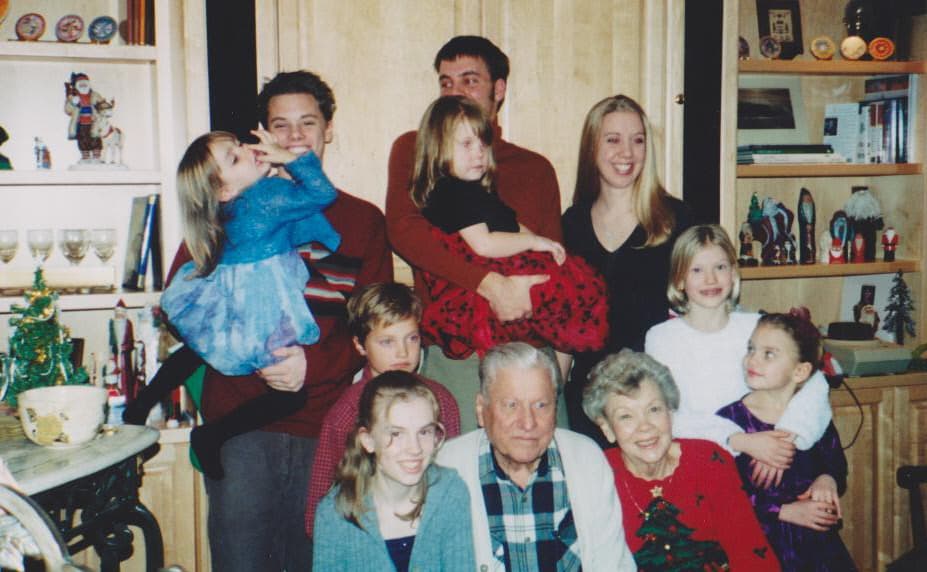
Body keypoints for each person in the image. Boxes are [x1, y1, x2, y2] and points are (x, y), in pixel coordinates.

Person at [163, 70, 393, 572]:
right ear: (259, 135)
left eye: (306, 124)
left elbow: (377, 329)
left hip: (328, 425)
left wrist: (311, 364)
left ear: (327, 130)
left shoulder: (362, 221)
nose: (293, 138)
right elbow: (186, 305)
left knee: (312, 561)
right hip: (239, 426)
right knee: (241, 560)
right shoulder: (226, 211)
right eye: (279, 125)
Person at [386, 36, 563, 432]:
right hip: (456, 351)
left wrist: (561, 360)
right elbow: (404, 231)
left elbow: (553, 258)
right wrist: (489, 284)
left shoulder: (533, 169)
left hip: (529, 350)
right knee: (460, 468)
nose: (455, 92)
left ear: (498, 90)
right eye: (445, 83)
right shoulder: (416, 150)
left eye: (469, 81)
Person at [147, 127, 337, 480]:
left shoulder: (234, 207)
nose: (250, 150)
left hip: (233, 293)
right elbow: (321, 193)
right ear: (224, 190)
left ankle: (142, 401)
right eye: (235, 157)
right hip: (263, 301)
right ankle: (212, 435)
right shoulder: (266, 198)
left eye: (240, 144)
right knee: (291, 396)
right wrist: (290, 161)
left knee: (203, 348)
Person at [410, 95, 607, 370]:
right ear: (438, 148)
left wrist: (544, 245)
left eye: (482, 143)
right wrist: (535, 241)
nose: (478, 152)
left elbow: (511, 225)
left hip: (505, 278)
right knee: (575, 288)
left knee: (576, 280)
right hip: (479, 290)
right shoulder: (452, 193)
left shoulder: (477, 191)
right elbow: (484, 245)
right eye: (466, 144)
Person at [645, 224, 833, 487]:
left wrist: (785, 438)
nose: (710, 279)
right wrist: (739, 440)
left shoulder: (755, 325)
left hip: (768, 465)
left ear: (733, 273)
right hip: (699, 465)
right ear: (679, 279)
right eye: (697, 270)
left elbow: (813, 381)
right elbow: (664, 415)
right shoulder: (661, 338)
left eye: (720, 267)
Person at [562, 94, 694, 445]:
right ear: (592, 147)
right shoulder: (570, 225)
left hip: (655, 405)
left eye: (637, 141)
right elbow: (559, 327)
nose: (627, 153)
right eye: (613, 140)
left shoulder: (677, 220)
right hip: (589, 407)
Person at [436, 342, 635, 571]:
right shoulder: (448, 467)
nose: (528, 423)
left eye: (541, 405)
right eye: (511, 405)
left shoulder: (586, 460)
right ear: (482, 410)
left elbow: (613, 562)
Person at [582, 349, 780, 571]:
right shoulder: (597, 474)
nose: (645, 426)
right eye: (626, 416)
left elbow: (750, 550)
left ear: (670, 412)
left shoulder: (708, 461)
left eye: (654, 409)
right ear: (607, 428)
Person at [304, 282, 461, 537]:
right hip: (365, 535)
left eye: (412, 338)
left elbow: (453, 477)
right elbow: (322, 493)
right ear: (360, 345)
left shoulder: (441, 400)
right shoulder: (347, 410)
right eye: (387, 342)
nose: (403, 351)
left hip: (428, 533)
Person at [717, 312, 856, 571]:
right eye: (751, 349)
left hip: (816, 548)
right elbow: (722, 497)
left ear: (800, 371)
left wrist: (827, 479)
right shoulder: (730, 421)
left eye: (769, 353)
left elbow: (835, 464)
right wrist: (783, 511)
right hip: (759, 545)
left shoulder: (812, 418)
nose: (753, 359)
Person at [312, 371, 475, 571]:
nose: (414, 448)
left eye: (424, 432)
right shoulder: (335, 512)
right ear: (368, 440)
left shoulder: (450, 492)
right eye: (396, 434)